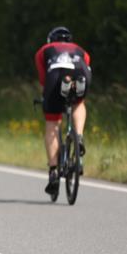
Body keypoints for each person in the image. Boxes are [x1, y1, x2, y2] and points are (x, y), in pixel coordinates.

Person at [35, 26, 91, 195]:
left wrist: (48, 98)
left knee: (52, 122)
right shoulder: (81, 50)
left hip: (56, 73)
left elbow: (44, 80)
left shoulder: (43, 50)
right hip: (81, 70)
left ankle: (53, 172)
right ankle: (79, 136)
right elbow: (87, 65)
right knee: (79, 103)